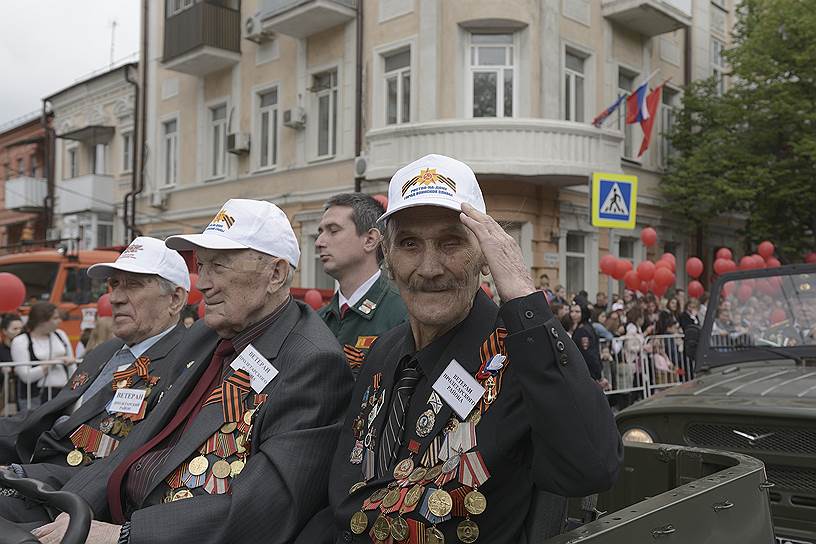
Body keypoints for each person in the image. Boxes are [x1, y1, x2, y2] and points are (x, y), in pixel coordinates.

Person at [295, 154, 621, 544]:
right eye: (410, 244)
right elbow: (346, 485)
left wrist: (521, 295)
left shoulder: (522, 354)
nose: (430, 267)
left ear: (483, 255)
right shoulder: (383, 351)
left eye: (451, 242)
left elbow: (592, 467)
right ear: (391, 261)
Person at [33, 199, 353, 544]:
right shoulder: (207, 334)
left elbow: (263, 509)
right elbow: (136, 442)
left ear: (275, 274)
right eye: (202, 265)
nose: (203, 283)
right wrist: (71, 509)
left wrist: (125, 536)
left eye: (220, 266)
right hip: (112, 512)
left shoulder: (312, 362)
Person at [0, 237, 191, 513]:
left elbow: (126, 465)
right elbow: (49, 416)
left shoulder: (182, 364)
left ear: (175, 299)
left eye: (133, 284)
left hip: (68, 498)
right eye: (114, 284)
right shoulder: (106, 351)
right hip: (32, 468)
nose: (114, 297)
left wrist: (19, 475)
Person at [316, 193, 407, 375]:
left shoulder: (403, 313)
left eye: (333, 231)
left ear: (370, 240)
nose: (319, 242)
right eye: (320, 232)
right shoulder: (318, 320)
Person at [11, 303, 74, 410]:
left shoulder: (60, 335)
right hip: (35, 397)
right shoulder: (21, 341)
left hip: (63, 393)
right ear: (42, 321)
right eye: (55, 318)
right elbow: (25, 376)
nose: (59, 321)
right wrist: (52, 363)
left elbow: (72, 364)